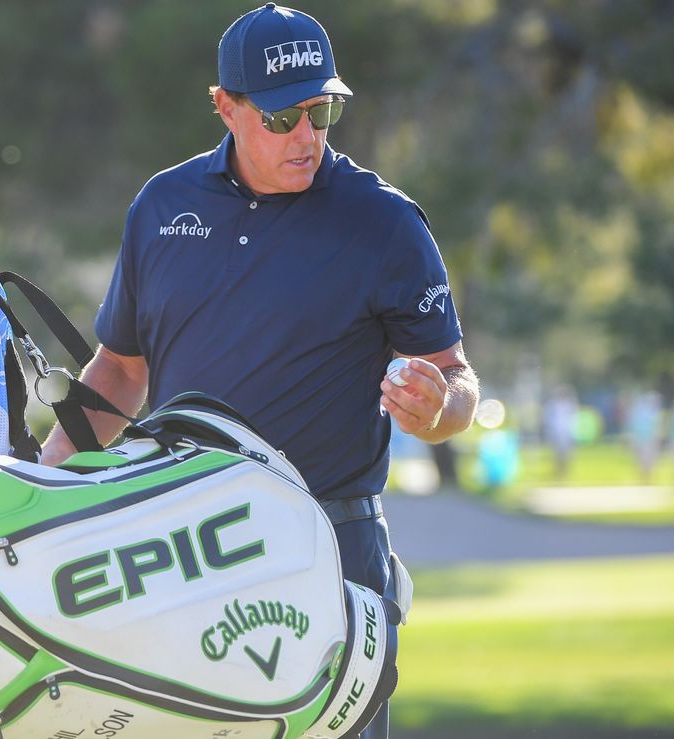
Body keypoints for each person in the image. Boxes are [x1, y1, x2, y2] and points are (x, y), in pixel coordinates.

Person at [41, 5, 480, 738]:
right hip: (183, 547)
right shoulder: (163, 205)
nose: (307, 136)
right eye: (283, 118)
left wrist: (438, 408)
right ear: (226, 107)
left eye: (323, 111)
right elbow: (119, 371)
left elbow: (456, 377)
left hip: (328, 545)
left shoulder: (385, 222)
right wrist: (45, 481)